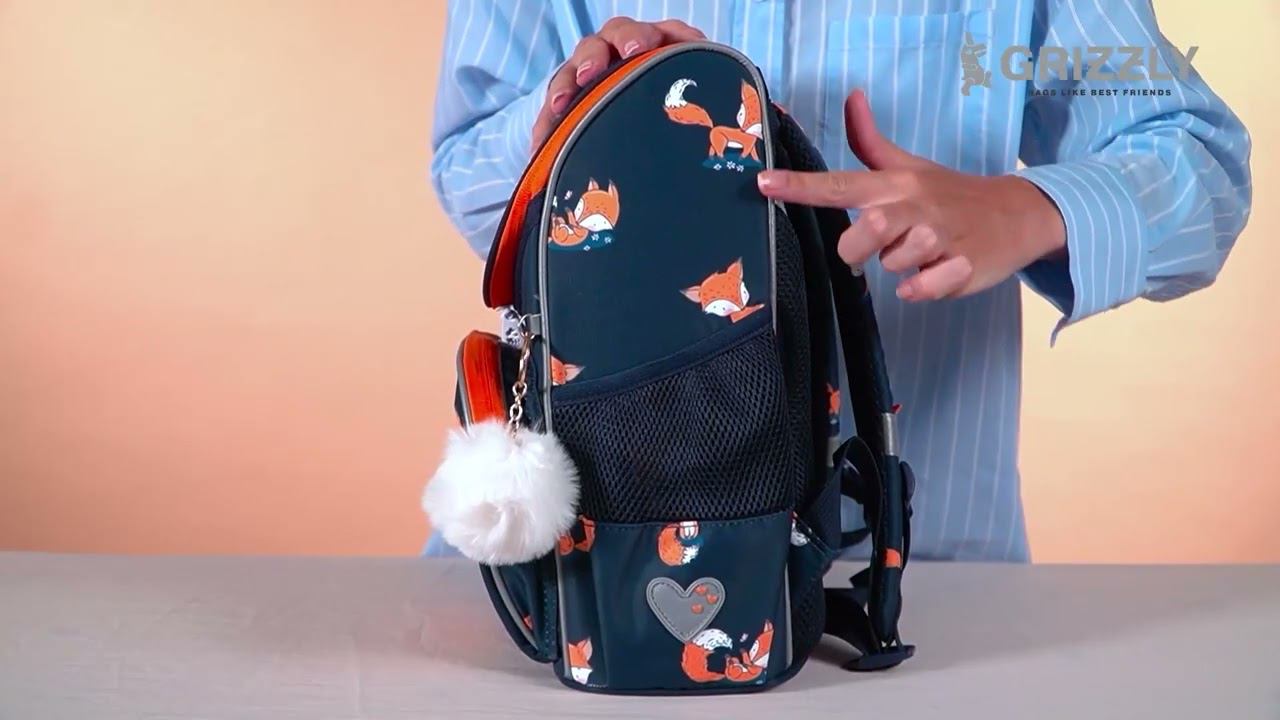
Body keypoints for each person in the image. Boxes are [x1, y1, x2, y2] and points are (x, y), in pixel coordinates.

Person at [426, 1, 1251, 561]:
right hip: (592, 561)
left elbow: (1199, 163)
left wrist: (1023, 210)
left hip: (923, 583)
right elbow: (468, 174)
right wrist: (580, 118)